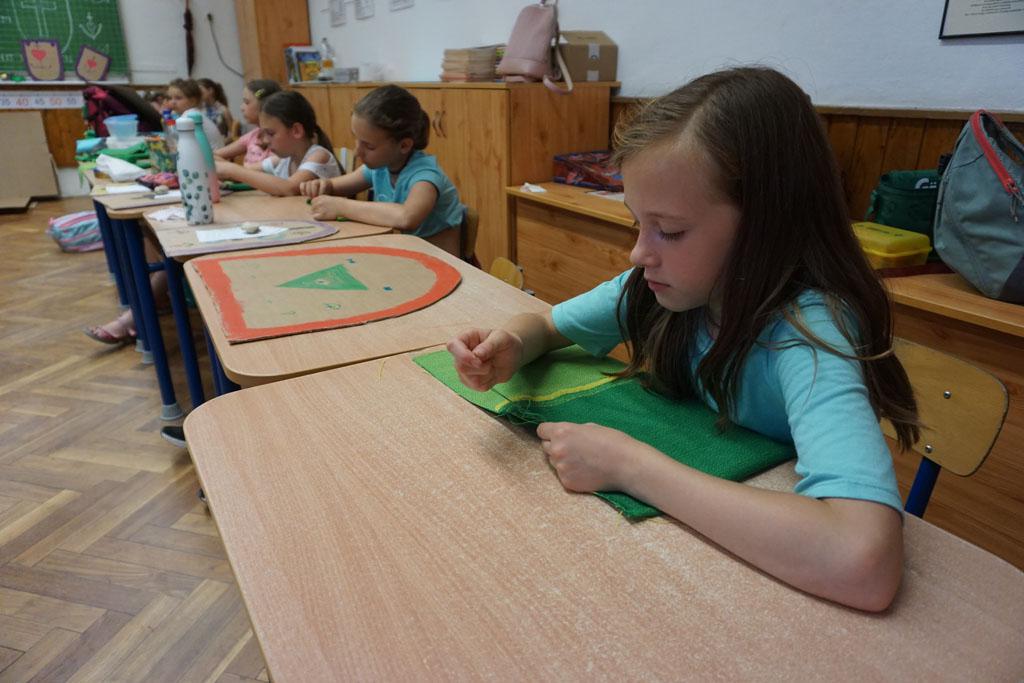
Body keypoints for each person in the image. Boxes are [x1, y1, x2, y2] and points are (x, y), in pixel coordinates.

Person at [445, 67, 920, 612]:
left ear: (765, 225)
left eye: (669, 231)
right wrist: (512, 343)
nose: (639, 253)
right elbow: (549, 326)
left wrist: (631, 467)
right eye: (637, 224)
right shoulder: (665, 286)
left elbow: (862, 559)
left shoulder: (809, 332)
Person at [299, 85, 465, 257]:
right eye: (357, 140)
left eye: (369, 146)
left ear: (404, 145)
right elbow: (335, 186)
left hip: (441, 264)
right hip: (402, 256)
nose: (357, 152)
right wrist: (322, 185)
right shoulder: (381, 166)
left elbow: (407, 217)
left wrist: (341, 207)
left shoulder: (425, 176)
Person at [214, 90, 339, 196]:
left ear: (296, 131)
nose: (264, 140)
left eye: (270, 133)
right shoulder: (283, 160)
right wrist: (218, 166)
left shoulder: (319, 156)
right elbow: (248, 171)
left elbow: (289, 188)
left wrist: (231, 170)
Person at [213, 79, 281, 169]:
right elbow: (214, 155)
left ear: (264, 105)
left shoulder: (281, 141)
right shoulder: (253, 135)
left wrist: (231, 169)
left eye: (247, 102)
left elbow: (250, 172)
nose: (241, 108)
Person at [166, 78, 225, 149]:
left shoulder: (189, 116)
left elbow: (180, 145)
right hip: (213, 153)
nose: (172, 102)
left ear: (192, 101)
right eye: (170, 98)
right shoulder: (193, 113)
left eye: (178, 98)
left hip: (212, 155)